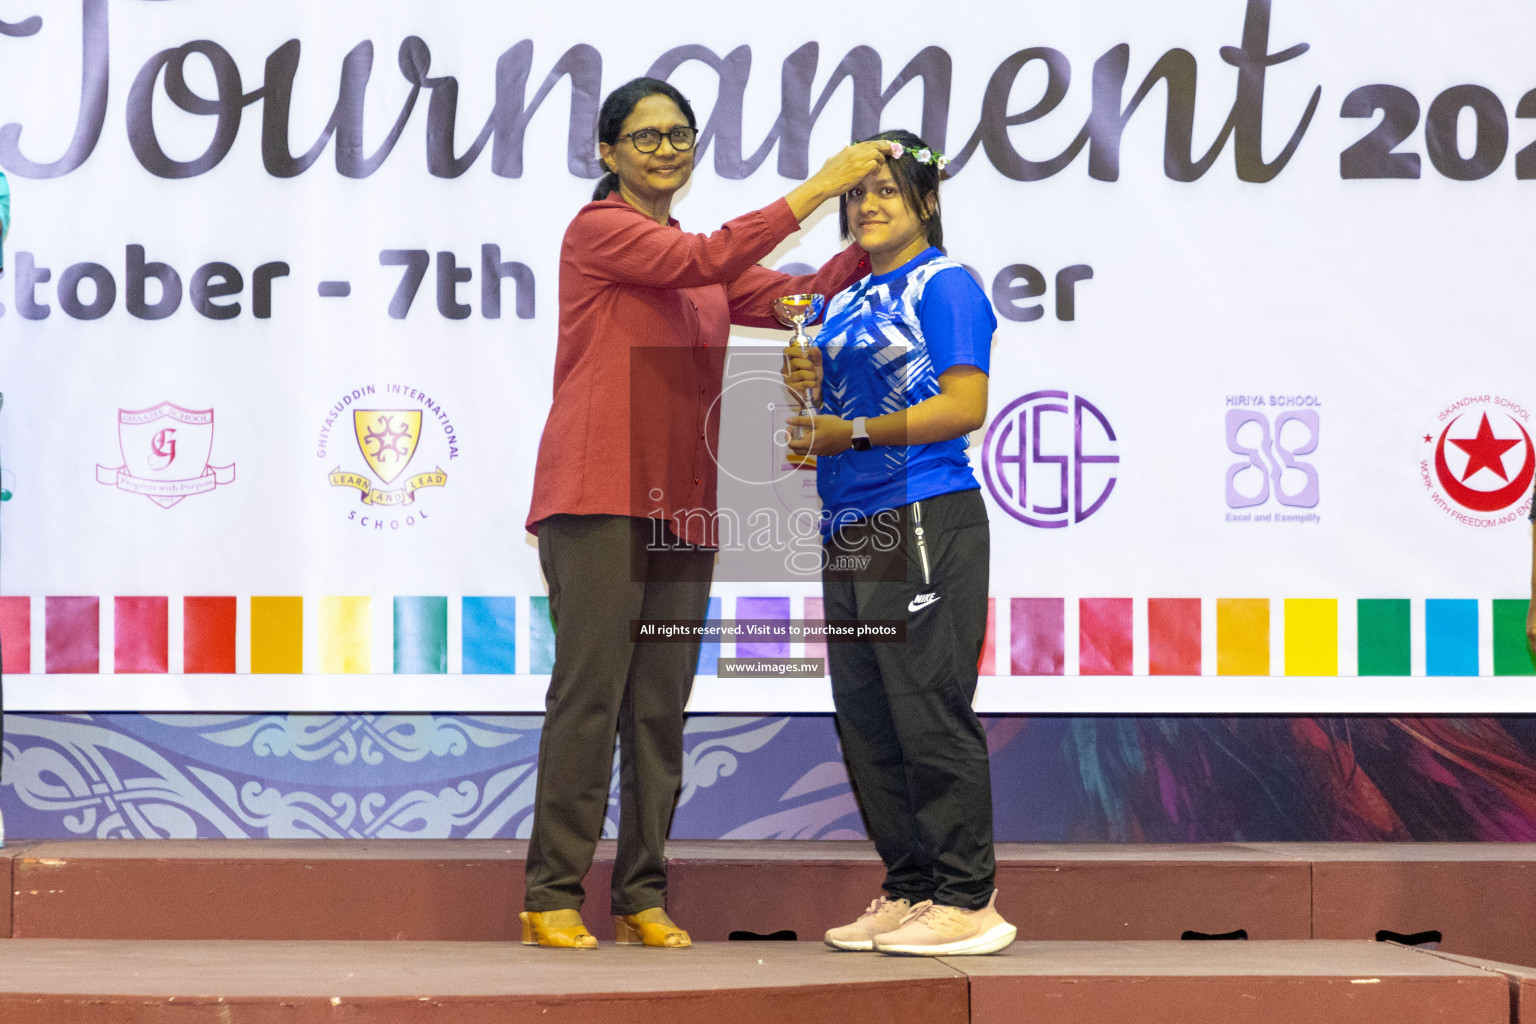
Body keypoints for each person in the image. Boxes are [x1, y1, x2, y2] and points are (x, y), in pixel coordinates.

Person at [521, 76, 890, 950]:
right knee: (590, 697)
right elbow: (701, 263)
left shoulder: (701, 262)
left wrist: (876, 235)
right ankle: (551, 895)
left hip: (682, 506)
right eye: (645, 137)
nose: (666, 149)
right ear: (607, 154)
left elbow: (799, 296)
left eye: (679, 134)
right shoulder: (601, 232)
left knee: (660, 706)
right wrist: (819, 185)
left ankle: (642, 893)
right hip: (598, 493)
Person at [783, 129, 1015, 956]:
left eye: (887, 190)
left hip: (922, 512)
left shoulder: (946, 285)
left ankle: (966, 898)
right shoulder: (841, 300)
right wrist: (808, 395)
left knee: (926, 708)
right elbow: (829, 420)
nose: (868, 205)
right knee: (870, 719)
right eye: (858, 193)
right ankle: (912, 886)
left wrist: (853, 432)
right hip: (849, 524)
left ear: (926, 201)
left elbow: (963, 406)